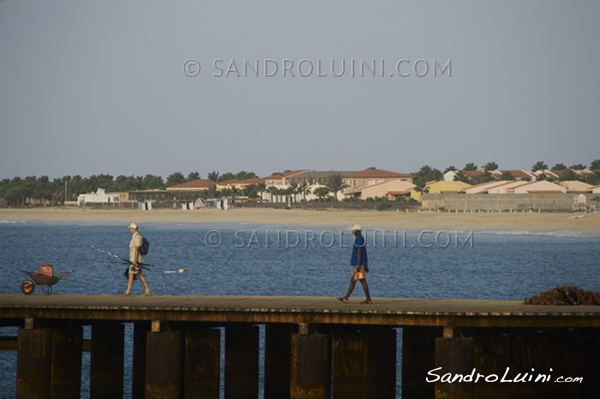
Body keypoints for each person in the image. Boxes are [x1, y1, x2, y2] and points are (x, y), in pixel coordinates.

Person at [338, 224, 372, 304]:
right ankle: (346, 298)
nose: (353, 232)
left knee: (361, 281)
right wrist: (366, 264)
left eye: (354, 230)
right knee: (355, 280)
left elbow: (359, 252)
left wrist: (358, 265)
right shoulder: (361, 239)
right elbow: (365, 253)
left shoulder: (359, 240)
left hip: (358, 264)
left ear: (357, 231)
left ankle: (368, 299)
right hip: (361, 264)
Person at [121, 223, 152, 296]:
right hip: (134, 259)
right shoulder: (135, 236)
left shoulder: (137, 237)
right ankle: (145, 290)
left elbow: (137, 248)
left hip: (136, 260)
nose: (130, 230)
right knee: (136, 274)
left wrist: (135, 260)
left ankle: (130, 291)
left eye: (130, 228)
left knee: (135, 274)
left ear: (133, 229)